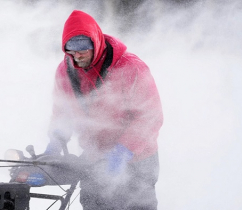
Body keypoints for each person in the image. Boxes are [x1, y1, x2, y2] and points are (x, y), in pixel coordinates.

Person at [44, 10, 163, 210]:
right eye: (71, 48)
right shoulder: (65, 72)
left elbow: (150, 116)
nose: (78, 54)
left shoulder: (130, 68)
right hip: (93, 159)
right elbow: (62, 113)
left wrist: (123, 151)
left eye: (83, 46)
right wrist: (55, 141)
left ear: (96, 42)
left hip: (137, 159)